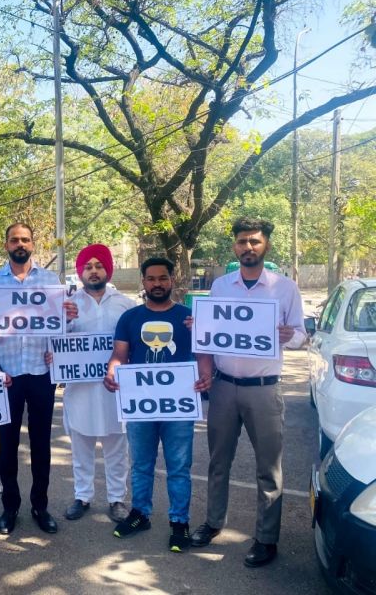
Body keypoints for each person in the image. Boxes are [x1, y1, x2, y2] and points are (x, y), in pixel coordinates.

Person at [190, 218, 305, 568]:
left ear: (266, 244)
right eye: (242, 242)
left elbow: (301, 334)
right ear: (234, 246)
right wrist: (198, 328)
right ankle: (213, 522)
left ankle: (266, 539)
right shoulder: (221, 285)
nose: (248, 247)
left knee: (268, 470)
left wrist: (290, 336)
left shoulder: (285, 288)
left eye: (255, 241)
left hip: (264, 390)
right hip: (224, 387)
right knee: (217, 461)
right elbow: (210, 331)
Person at [104, 257, 212, 553]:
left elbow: (203, 353)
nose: (157, 283)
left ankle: (180, 521)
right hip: (141, 406)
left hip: (179, 404)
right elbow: (119, 355)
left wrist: (206, 374)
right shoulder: (130, 318)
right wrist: (112, 370)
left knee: (179, 466)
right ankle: (140, 514)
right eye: (151, 279)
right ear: (143, 282)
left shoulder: (188, 316)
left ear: (172, 280)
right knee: (141, 464)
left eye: (162, 278)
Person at [0, 223, 74, 535]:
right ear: (5, 244)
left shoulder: (49, 280)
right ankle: (10, 507)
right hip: (7, 375)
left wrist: (66, 325)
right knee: (6, 445)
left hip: (41, 373)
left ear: (33, 244)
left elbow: (59, 327)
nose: (20, 244)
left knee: (41, 444)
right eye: (15, 239)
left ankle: (40, 506)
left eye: (26, 239)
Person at [52, 244, 136, 524]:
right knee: (81, 446)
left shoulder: (125, 303)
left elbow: (135, 344)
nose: (93, 270)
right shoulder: (68, 304)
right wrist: (56, 346)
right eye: (87, 266)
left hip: (115, 389)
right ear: (81, 272)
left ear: (107, 270)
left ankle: (116, 499)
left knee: (116, 448)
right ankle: (82, 496)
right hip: (80, 390)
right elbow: (55, 340)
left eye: (99, 265)